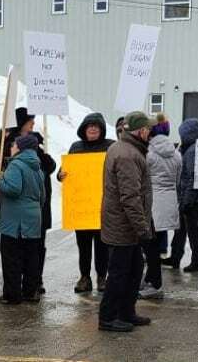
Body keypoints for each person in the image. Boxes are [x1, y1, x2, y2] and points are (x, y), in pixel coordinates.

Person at [99, 111, 154, 333]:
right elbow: (130, 196)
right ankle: (108, 317)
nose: (150, 133)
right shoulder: (127, 155)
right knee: (120, 273)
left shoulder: (126, 149)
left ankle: (126, 312)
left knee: (134, 270)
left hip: (125, 225)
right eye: (148, 129)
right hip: (123, 226)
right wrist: (142, 228)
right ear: (141, 131)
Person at [57, 113, 115, 293]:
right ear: (83, 129)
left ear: (102, 129)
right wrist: (61, 175)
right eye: (89, 126)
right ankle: (84, 277)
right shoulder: (76, 147)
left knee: (102, 246)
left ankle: (101, 277)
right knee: (83, 246)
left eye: (96, 126)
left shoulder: (110, 146)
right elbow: (63, 171)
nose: (92, 129)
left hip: (102, 206)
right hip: (81, 207)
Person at [4, 107, 56, 294]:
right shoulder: (11, 145)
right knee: (22, 248)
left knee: (33, 247)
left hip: (29, 207)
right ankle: (25, 286)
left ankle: (30, 284)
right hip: (25, 208)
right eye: (30, 121)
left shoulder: (34, 147)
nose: (33, 124)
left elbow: (49, 167)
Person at [0, 134, 46, 304]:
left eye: (14, 145)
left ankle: (12, 294)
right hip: (33, 218)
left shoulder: (16, 165)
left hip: (14, 221)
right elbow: (42, 196)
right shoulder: (37, 167)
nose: (11, 147)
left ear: (20, 148)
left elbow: (14, 189)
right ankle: (30, 292)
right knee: (31, 257)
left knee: (11, 258)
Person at [141, 114, 181, 299]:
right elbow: (177, 179)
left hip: (152, 203)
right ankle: (150, 279)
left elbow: (143, 180)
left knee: (150, 246)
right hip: (169, 201)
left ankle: (154, 284)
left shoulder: (148, 154)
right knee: (156, 245)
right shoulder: (176, 154)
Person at [163, 118, 198, 272]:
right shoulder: (190, 149)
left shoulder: (193, 151)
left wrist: (186, 201)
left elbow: (191, 177)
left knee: (192, 229)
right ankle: (175, 256)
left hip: (193, 198)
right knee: (181, 228)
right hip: (191, 196)